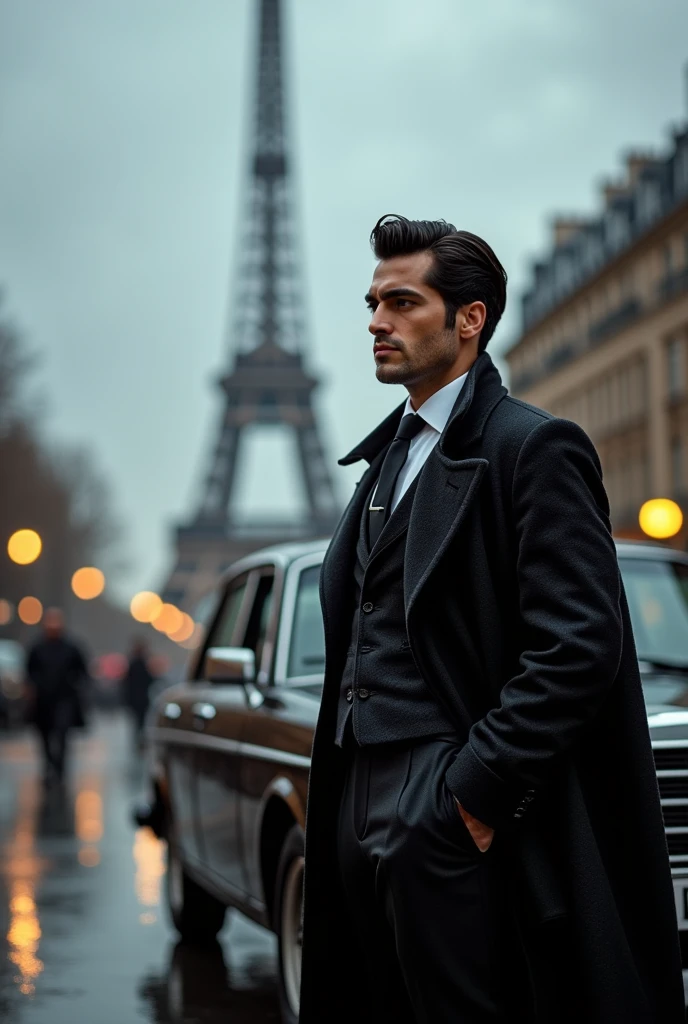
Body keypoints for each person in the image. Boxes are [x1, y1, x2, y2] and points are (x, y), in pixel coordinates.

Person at [299, 215, 684, 1024]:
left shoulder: (533, 448)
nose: (375, 321)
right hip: (358, 791)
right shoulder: (387, 459)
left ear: (468, 319)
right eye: (372, 302)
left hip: (443, 795)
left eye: (402, 302)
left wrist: (470, 795)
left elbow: (581, 643)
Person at [26, 607, 89, 785]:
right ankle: (49, 765)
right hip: (43, 701)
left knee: (62, 734)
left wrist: (75, 685)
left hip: (64, 699)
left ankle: (59, 768)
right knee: (44, 736)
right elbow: (29, 671)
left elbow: (82, 671)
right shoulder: (37, 647)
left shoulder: (71, 648)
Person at [122, 639, 155, 744]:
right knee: (140, 721)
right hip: (140, 698)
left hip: (135, 698)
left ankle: (139, 740)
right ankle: (140, 740)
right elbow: (149, 679)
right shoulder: (140, 664)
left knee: (138, 722)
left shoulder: (133, 663)